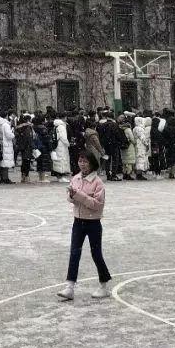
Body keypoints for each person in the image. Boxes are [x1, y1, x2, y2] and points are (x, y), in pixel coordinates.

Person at [57, 150, 113, 301]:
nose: (82, 164)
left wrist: (78, 195)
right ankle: (70, 286)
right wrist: (71, 195)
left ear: (92, 163)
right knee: (74, 253)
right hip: (78, 222)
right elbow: (71, 199)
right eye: (80, 161)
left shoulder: (98, 183)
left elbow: (97, 205)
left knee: (96, 254)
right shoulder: (75, 178)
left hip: (93, 223)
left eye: (85, 161)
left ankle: (104, 285)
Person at [0, 112, 16, 184]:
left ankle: (2, 177)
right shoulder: (5, 124)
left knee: (2, 162)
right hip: (7, 144)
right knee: (5, 162)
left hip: (1, 143)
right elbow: (9, 135)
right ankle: (5, 178)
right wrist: (13, 133)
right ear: (6, 116)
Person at [52, 114, 71, 183]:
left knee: (57, 160)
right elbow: (63, 137)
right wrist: (68, 143)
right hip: (62, 145)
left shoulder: (56, 125)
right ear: (64, 118)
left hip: (57, 144)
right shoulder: (62, 126)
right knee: (62, 160)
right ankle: (61, 176)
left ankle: (58, 176)